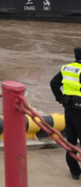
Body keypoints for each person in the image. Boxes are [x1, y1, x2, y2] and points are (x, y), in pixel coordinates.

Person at [50, 46, 81, 180]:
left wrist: (61, 99)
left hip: (69, 109)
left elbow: (54, 83)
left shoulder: (67, 68)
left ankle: (75, 171)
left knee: (71, 141)